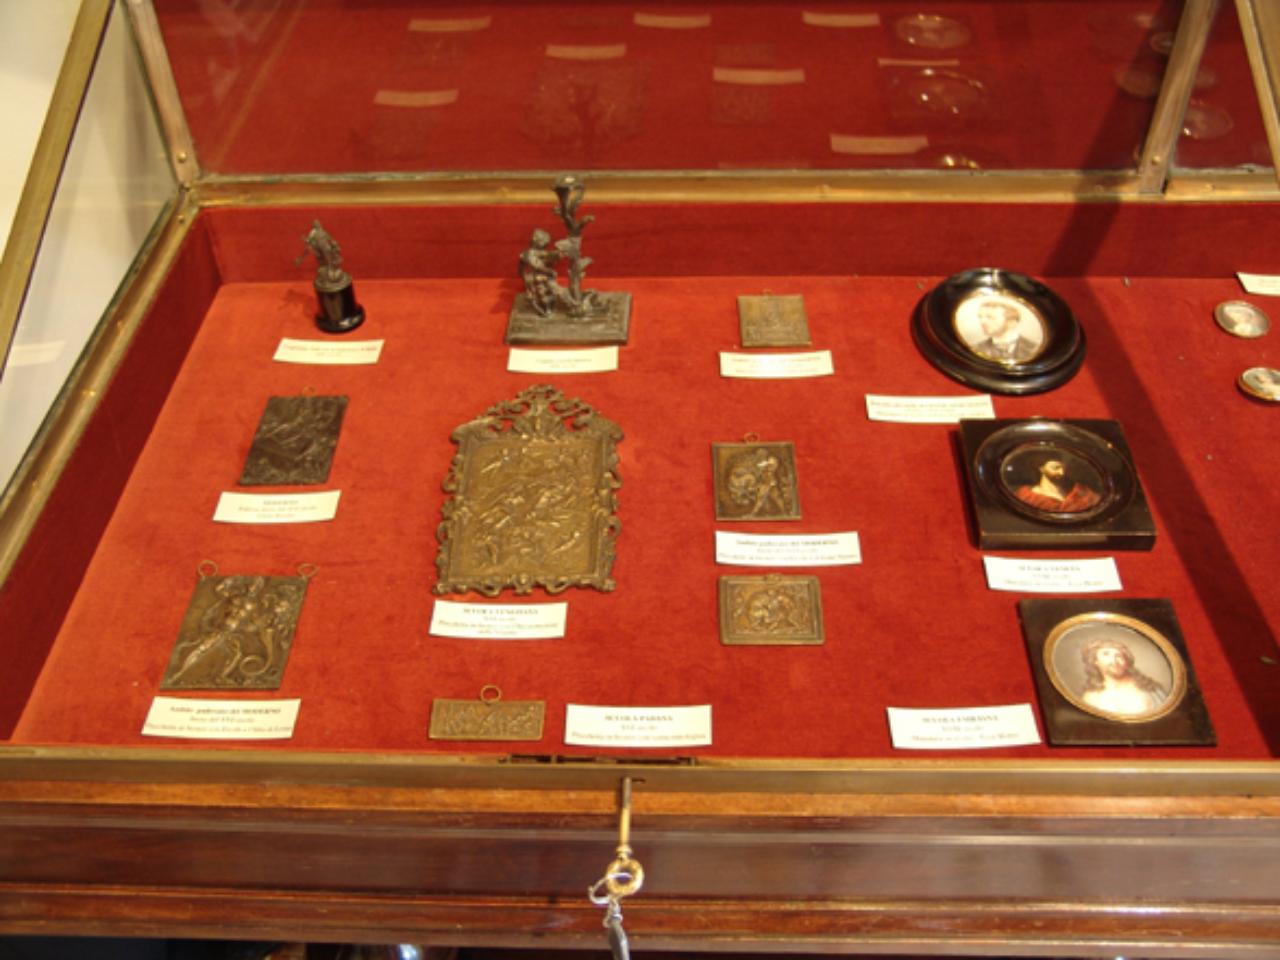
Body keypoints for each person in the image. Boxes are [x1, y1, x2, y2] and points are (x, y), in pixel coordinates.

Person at [1078, 635, 1167, 717]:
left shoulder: (1150, 688)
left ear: (1126, 663)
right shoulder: (1090, 697)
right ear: (1095, 661)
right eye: (1106, 654)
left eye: (1119, 656)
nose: (1114, 661)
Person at [1014, 457, 1101, 513]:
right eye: (1055, 468)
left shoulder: (1080, 491)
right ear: (1041, 468)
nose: (1062, 472)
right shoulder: (1027, 497)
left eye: (1064, 468)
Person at [967, 299, 1041, 363]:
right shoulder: (976, 349)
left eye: (990, 317)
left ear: (1011, 322)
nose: (982, 322)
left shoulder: (1034, 349)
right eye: (980, 317)